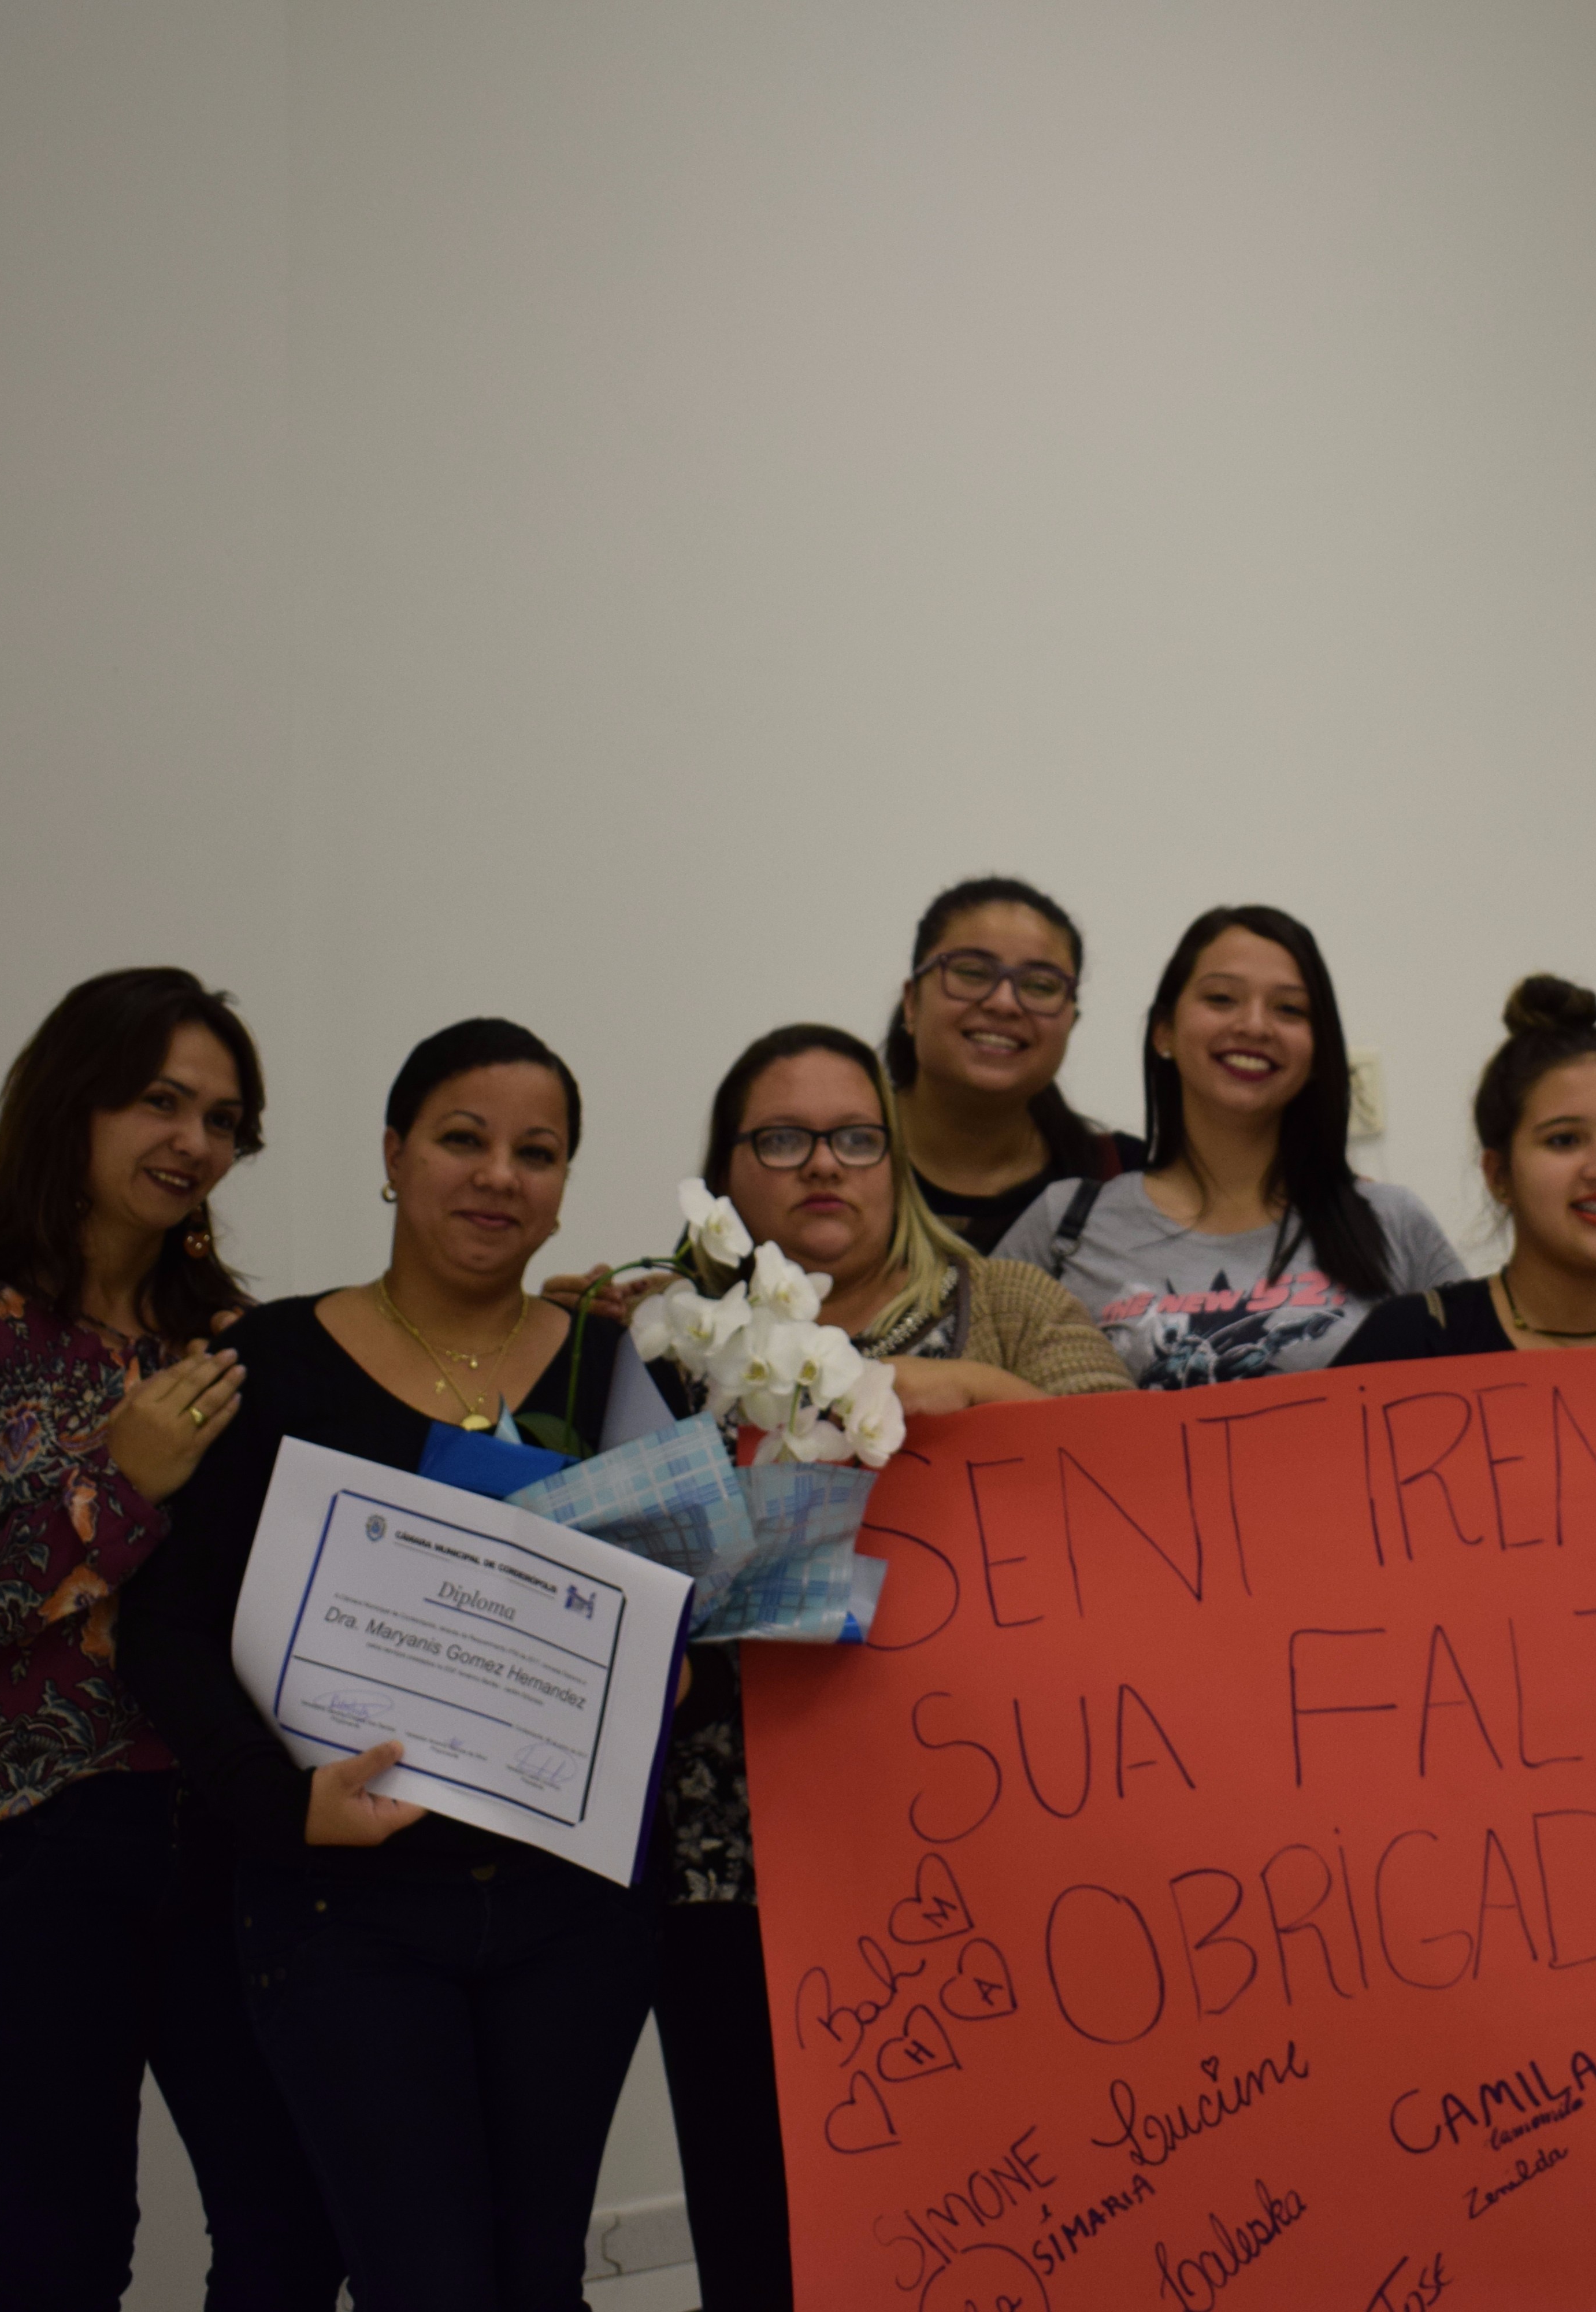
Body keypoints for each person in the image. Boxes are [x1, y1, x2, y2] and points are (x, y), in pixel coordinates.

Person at [120, 1017, 650, 2312]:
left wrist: (669, 1672)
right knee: (425, 2285)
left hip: (572, 1920)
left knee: (540, 2285)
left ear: (565, 1183)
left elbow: (671, 1602)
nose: (499, 1176)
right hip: (341, 1916)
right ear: (394, 1154)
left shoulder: (617, 1371)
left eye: (538, 1152)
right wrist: (282, 1803)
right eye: (463, 1138)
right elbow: (164, 1630)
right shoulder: (268, 1363)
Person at [0, 966, 339, 2311]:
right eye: (159, 1101)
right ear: (73, 1105)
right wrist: (115, 1487)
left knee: (295, 2220)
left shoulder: (231, 1346)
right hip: (20, 1854)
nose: (195, 1141)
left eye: (224, 1118)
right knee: (67, 2244)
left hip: (222, 1829)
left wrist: (553, 1338)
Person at [655, 1023, 1130, 2308]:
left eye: (857, 1137)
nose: (825, 1164)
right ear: (725, 1169)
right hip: (727, 1875)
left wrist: (958, 1386)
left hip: (981, 1860)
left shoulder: (1004, 1304)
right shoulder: (657, 1338)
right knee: (763, 2237)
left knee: (1004, 2227)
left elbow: (1133, 1475)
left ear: (897, 1158)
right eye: (782, 1139)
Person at [997, 903, 1468, 1384]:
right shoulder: (1064, 1224)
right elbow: (968, 1385)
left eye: (1289, 1009)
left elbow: (1488, 1390)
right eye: (1222, 999)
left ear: (1318, 1049)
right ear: (1164, 1032)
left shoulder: (1393, 1220)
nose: (1255, 1026)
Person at [882, 873, 1145, 1252]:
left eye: (1040, 985)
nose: (1004, 1003)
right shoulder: (828, 1162)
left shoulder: (1126, 1181)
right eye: (973, 972)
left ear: (1071, 1023)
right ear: (911, 1003)